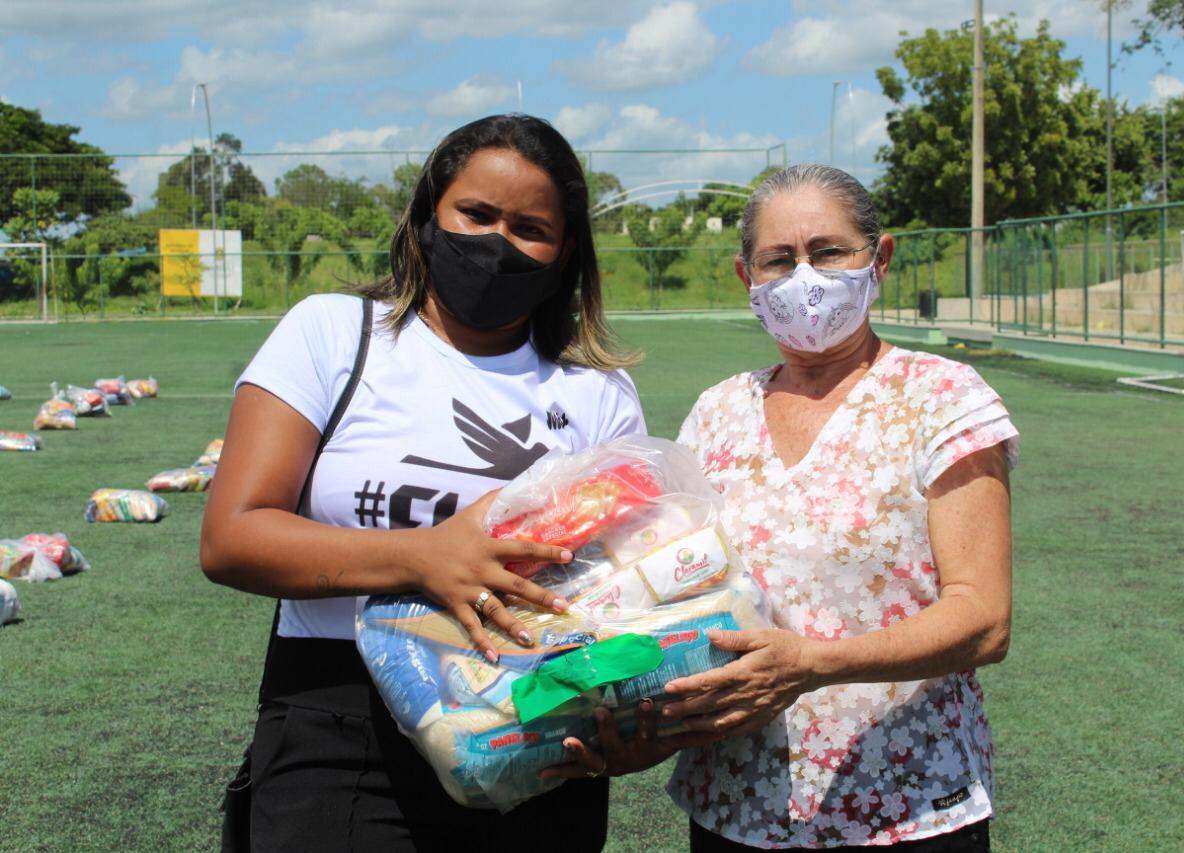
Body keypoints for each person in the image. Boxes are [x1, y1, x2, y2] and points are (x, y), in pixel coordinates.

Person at [200, 113, 645, 852]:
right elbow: (231, 535)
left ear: (565, 250)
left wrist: (627, 712)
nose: (497, 242)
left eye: (530, 227)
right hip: (340, 724)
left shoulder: (598, 391)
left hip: (534, 714)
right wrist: (425, 557)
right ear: (426, 217)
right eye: (475, 213)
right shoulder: (335, 334)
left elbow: (618, 582)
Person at [555, 164, 1018, 850]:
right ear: (749, 280)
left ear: (879, 257)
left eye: (829, 252)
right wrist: (638, 721)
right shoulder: (717, 412)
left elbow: (983, 618)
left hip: (906, 807)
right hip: (734, 807)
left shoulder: (941, 397)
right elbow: (668, 597)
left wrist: (812, 662)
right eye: (779, 259)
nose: (806, 276)